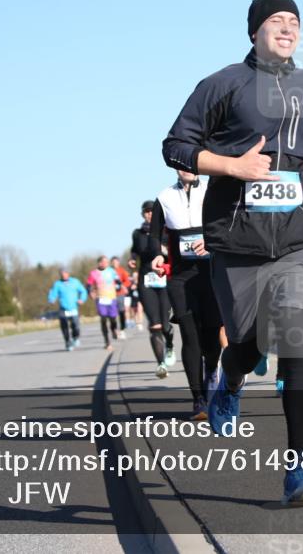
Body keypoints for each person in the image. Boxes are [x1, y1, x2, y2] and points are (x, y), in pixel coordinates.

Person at [163, 0, 303, 505]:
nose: (287, 29)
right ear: (255, 31)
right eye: (276, 21)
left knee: (299, 340)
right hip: (237, 240)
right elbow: (175, 145)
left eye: (295, 22)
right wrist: (232, 166)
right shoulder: (222, 85)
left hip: (299, 239)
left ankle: (297, 471)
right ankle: (230, 383)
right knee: (246, 341)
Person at [150, 170, 223, 420]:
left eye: (190, 164)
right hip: (181, 277)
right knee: (190, 336)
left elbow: (227, 226)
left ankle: (212, 369)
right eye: (180, 165)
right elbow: (154, 233)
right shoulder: (165, 196)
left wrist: (212, 241)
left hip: (212, 274)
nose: (185, 169)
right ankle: (199, 400)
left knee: (212, 340)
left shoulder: (213, 190)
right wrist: (157, 255)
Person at [131, 201, 175, 377]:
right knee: (155, 326)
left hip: (164, 279)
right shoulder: (138, 233)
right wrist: (132, 259)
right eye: (147, 212)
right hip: (146, 281)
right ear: (143, 214)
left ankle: (170, 346)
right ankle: (161, 364)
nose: (149, 214)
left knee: (165, 324)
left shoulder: (166, 231)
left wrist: (163, 249)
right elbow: (135, 250)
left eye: (152, 211)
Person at [86, 256, 123, 351]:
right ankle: (107, 342)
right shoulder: (93, 273)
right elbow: (88, 285)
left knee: (113, 318)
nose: (106, 263)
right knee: (103, 319)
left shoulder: (112, 271)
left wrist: (118, 288)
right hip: (101, 299)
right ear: (99, 263)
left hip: (111, 298)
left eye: (107, 262)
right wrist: (90, 292)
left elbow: (118, 281)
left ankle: (114, 329)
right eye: (104, 262)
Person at [47, 268, 88, 351]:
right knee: (64, 326)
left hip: (73, 307)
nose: (64, 275)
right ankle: (67, 342)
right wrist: (51, 299)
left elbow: (83, 291)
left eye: (65, 273)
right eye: (62, 274)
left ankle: (75, 337)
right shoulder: (57, 284)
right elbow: (53, 293)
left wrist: (82, 299)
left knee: (75, 325)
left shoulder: (75, 282)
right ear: (60, 275)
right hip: (63, 308)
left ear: (68, 274)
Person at [109, 256, 133, 336]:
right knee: (112, 313)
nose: (115, 264)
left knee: (121, 311)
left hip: (120, 294)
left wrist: (122, 285)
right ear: (111, 263)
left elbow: (128, 282)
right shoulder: (108, 271)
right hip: (110, 295)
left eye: (116, 262)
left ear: (119, 262)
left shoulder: (122, 271)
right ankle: (114, 329)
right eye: (114, 262)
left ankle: (122, 329)